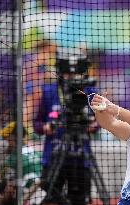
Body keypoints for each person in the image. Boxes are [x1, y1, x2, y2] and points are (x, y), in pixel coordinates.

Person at [33, 49, 98, 205]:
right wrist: (46, 127)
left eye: (76, 73)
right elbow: (37, 124)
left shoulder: (90, 92)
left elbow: (100, 121)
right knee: (51, 198)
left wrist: (95, 125)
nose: (72, 77)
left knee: (79, 200)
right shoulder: (49, 92)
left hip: (80, 157)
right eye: (68, 73)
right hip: (54, 156)